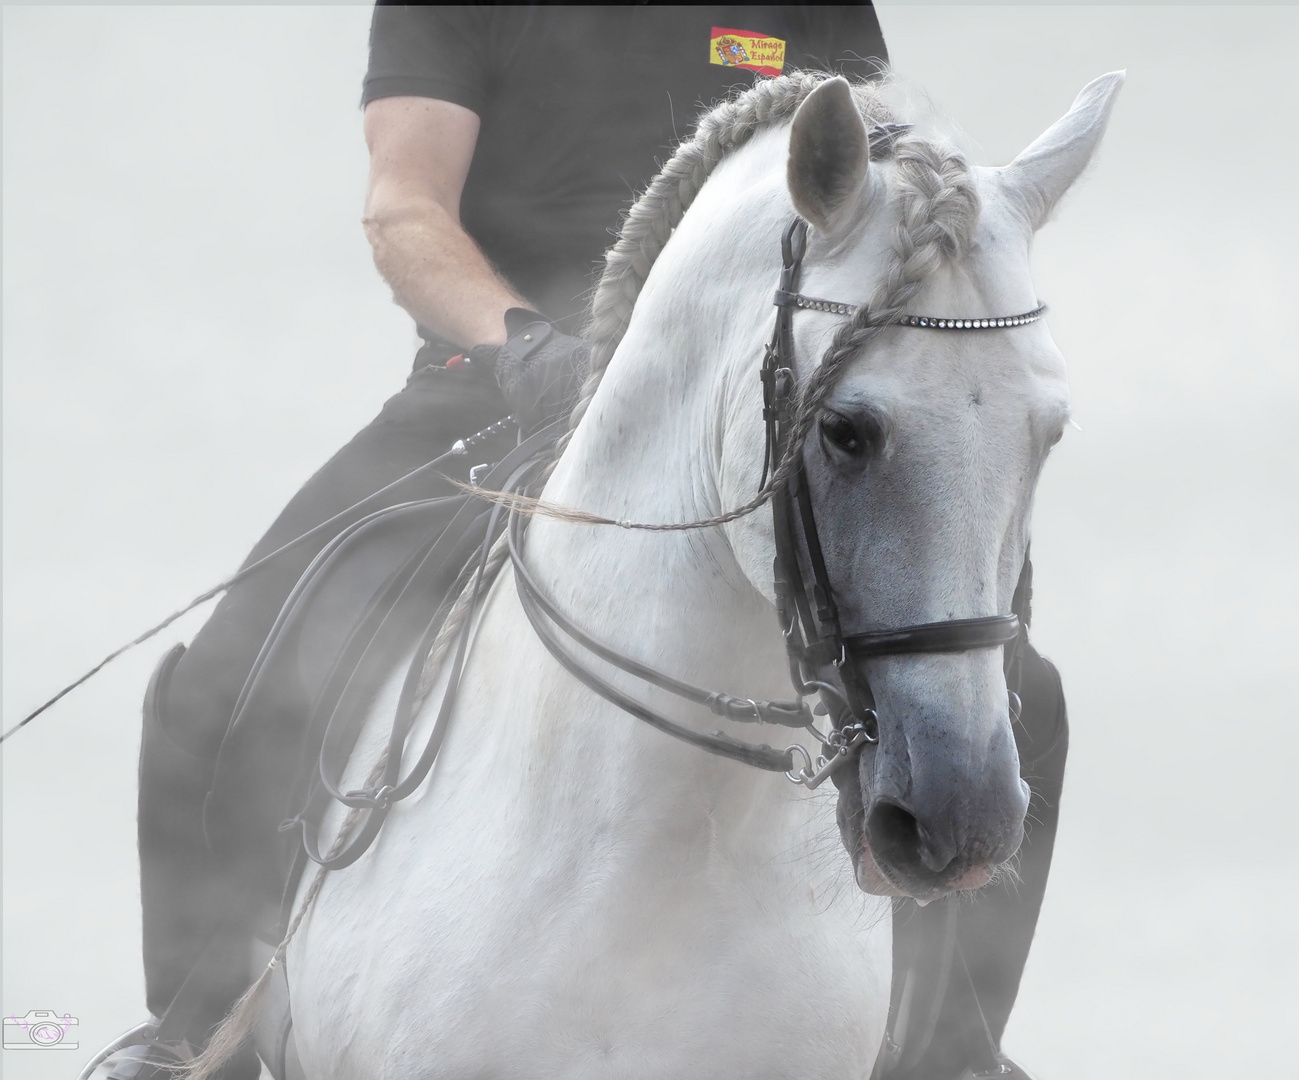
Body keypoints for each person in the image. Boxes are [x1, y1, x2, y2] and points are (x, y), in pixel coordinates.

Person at [95, 6, 1062, 1079]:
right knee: (223, 674)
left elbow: (868, 190)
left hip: (744, 395)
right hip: (499, 386)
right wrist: (522, 344)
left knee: (1013, 682)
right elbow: (406, 208)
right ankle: (187, 1029)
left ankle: (953, 1048)